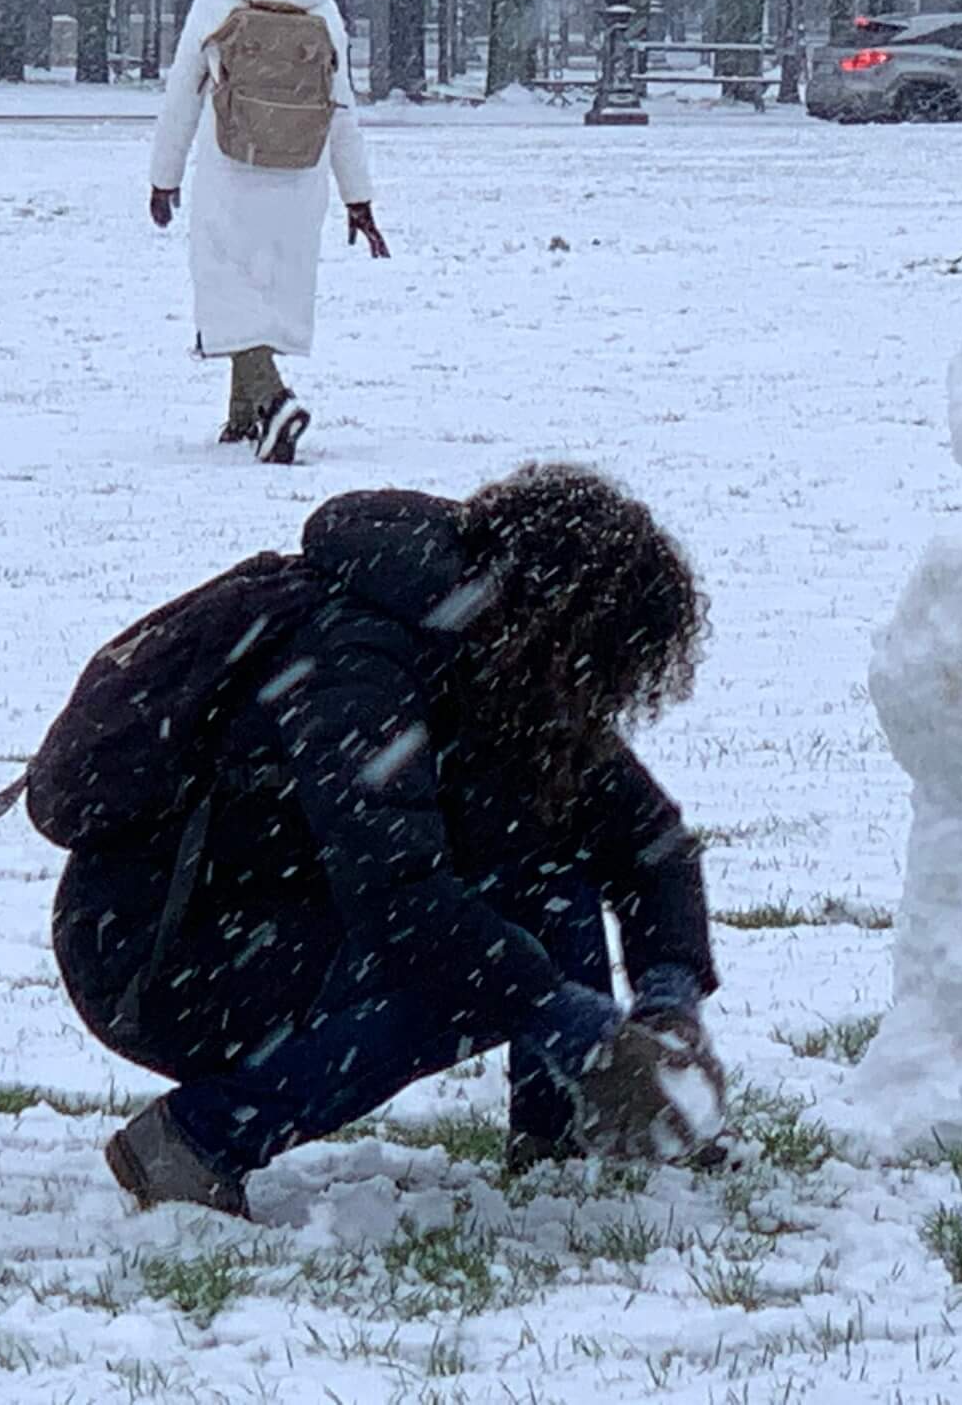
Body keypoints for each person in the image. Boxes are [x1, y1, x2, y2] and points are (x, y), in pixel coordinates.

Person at [52, 464, 724, 1218]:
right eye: (604, 665)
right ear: (565, 626)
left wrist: (669, 1004)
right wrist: (580, 1028)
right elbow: (399, 902)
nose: (604, 694)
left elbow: (650, 842)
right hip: (162, 945)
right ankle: (196, 1141)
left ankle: (567, 1138)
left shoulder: (505, 661)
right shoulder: (357, 658)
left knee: (546, 889)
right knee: (464, 973)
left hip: (285, 912)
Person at [149, 0, 388, 465]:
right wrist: (359, 199)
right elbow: (343, 111)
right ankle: (244, 416)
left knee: (228, 285)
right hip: (301, 175)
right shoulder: (323, 11)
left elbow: (181, 97)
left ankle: (276, 400)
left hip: (232, 169)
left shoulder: (215, 2)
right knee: (267, 290)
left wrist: (163, 179)